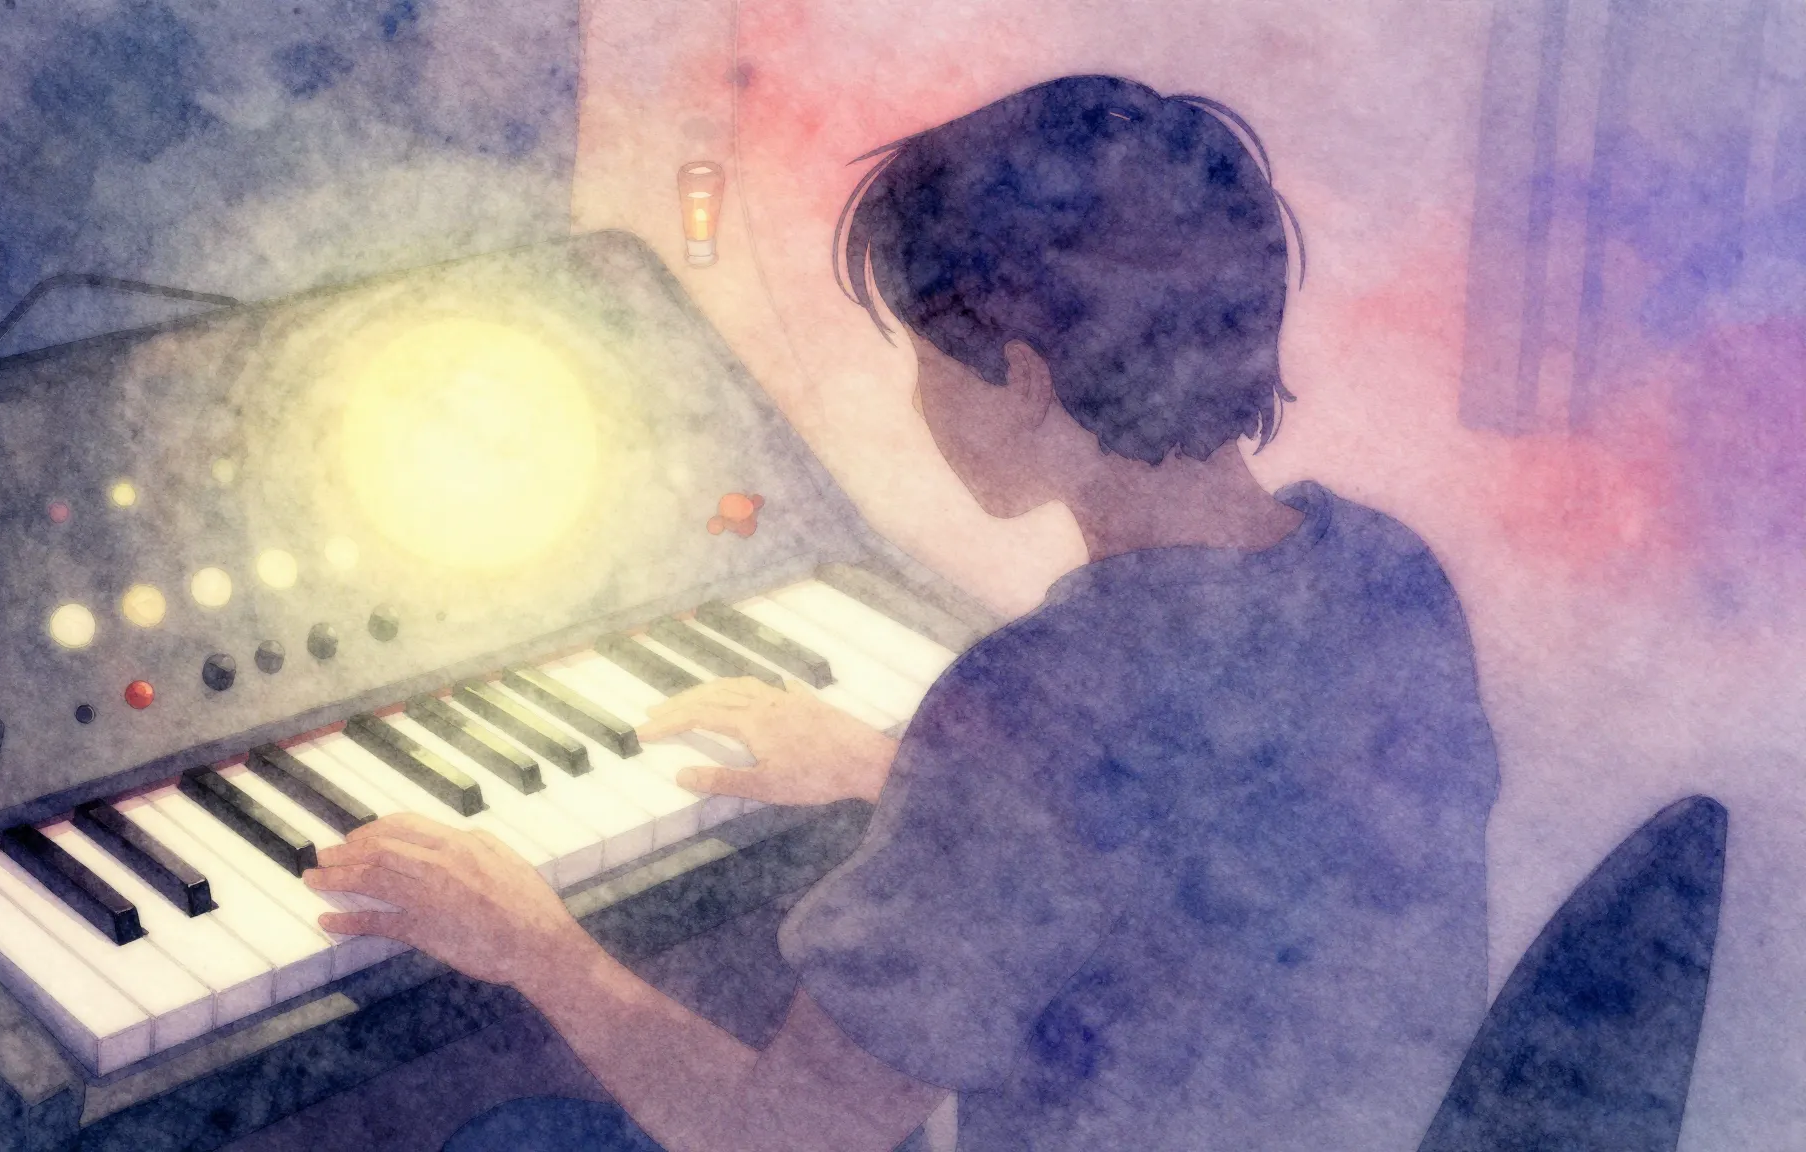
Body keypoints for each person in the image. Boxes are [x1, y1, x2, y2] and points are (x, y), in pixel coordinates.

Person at [302, 74, 1501, 1152]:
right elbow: (1204, 854)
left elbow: (780, 1139)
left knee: (512, 1130)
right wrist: (895, 775)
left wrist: (531, 941)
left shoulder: (1035, 704)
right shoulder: (1384, 574)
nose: (919, 402)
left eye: (925, 360)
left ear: (1021, 380)